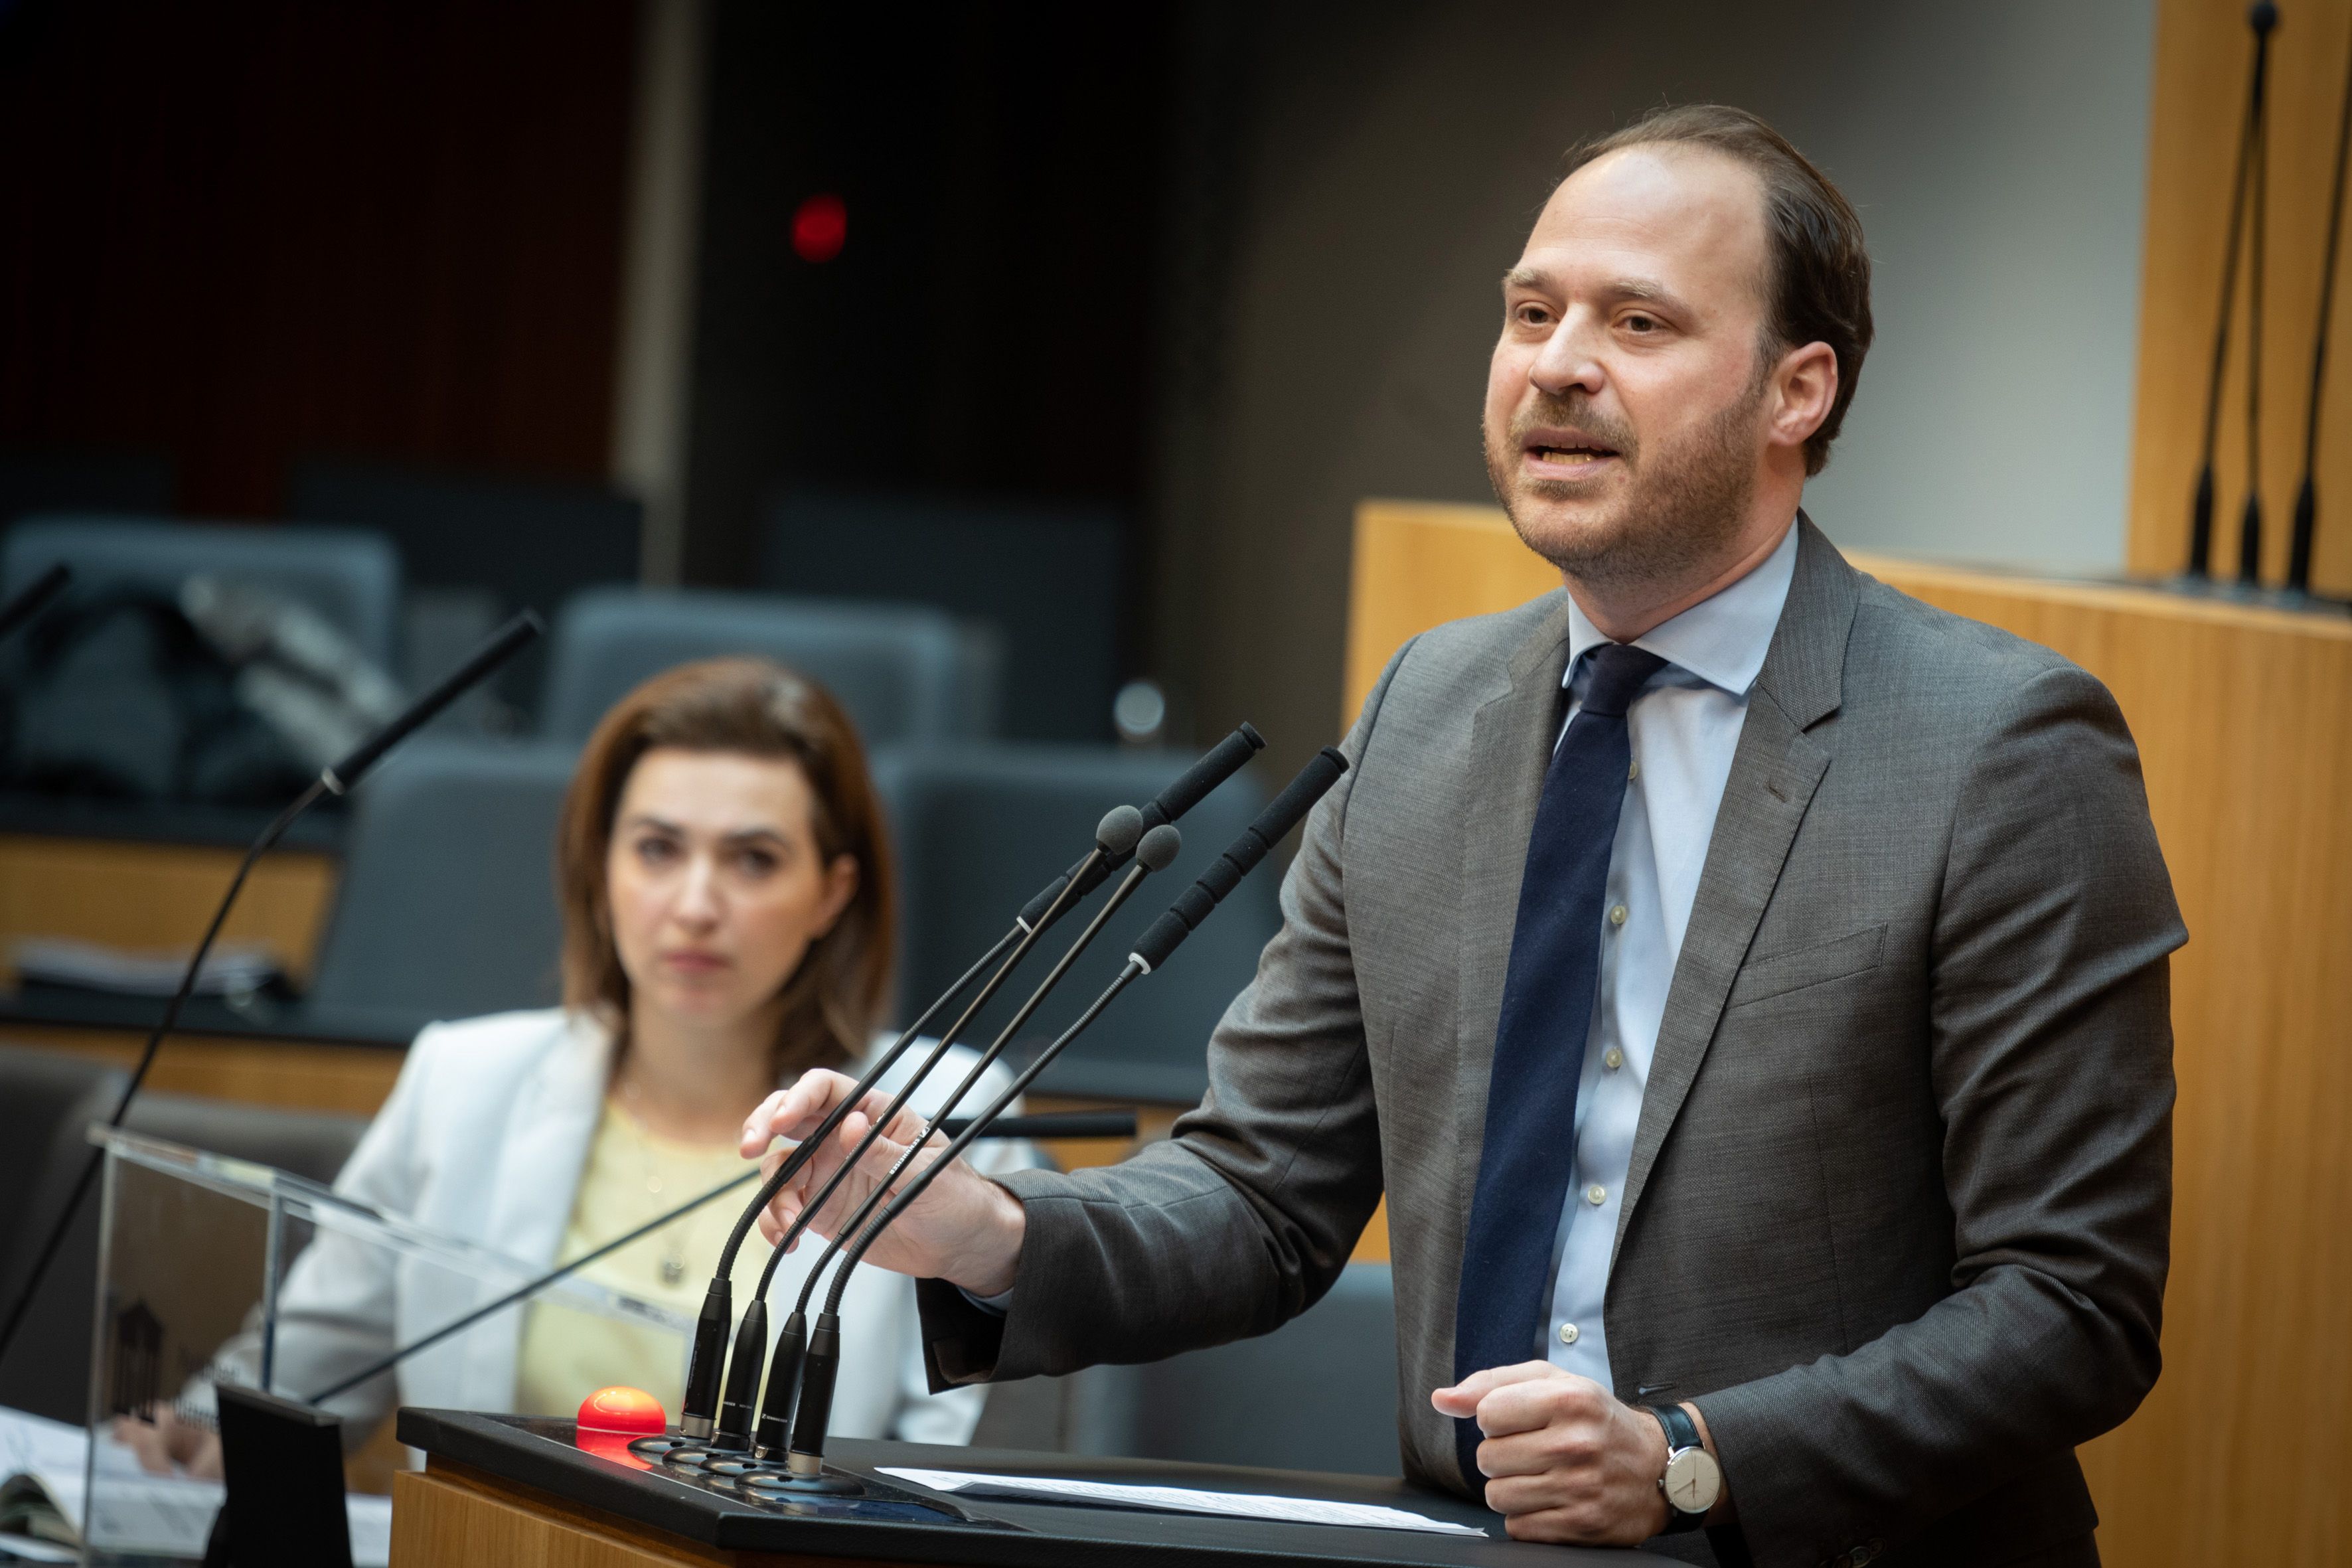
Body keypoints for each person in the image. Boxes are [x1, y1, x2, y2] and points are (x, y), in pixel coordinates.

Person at [744, 104, 2183, 1568]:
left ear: (1793, 390)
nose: (1557, 362)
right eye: (1530, 310)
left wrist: (1691, 1460)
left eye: (1636, 321)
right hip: (1466, 1545)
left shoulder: (1992, 746)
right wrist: (986, 1228)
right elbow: (1261, 1191)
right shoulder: (1430, 706)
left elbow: (2069, 1300)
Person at [126, 657, 1023, 1474]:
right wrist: (194, 1436)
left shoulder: (951, 1116)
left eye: (753, 859)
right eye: (658, 848)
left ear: (832, 892)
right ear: (600, 867)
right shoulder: (461, 1082)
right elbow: (301, 1374)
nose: (696, 904)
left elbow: (942, 1480)